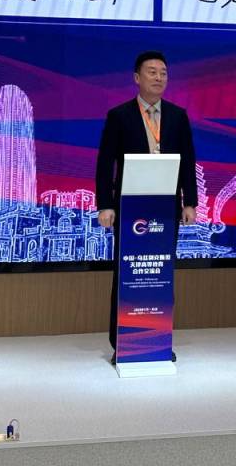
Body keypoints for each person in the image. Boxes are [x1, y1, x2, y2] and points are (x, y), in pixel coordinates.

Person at [95, 51, 197, 359]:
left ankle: (159, 339)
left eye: (163, 72)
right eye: (152, 72)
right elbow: (105, 163)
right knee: (127, 272)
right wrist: (105, 204)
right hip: (130, 208)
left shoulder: (178, 116)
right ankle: (123, 343)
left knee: (162, 271)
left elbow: (188, 162)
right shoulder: (119, 115)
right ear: (137, 78)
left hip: (166, 209)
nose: (158, 77)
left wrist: (190, 202)